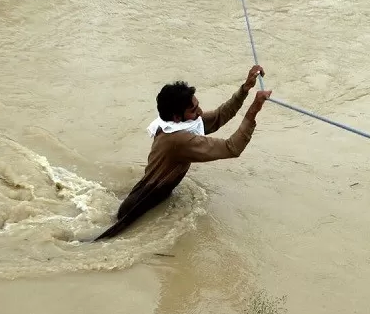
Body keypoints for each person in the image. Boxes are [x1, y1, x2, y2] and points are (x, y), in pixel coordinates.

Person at [95, 66, 269, 240]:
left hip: (150, 195)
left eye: (197, 106)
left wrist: (245, 88)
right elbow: (233, 148)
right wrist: (254, 109)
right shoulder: (178, 139)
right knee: (101, 241)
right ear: (177, 117)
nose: (199, 112)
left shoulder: (176, 124)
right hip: (141, 204)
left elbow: (218, 116)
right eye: (194, 110)